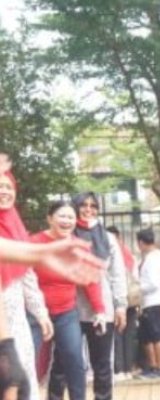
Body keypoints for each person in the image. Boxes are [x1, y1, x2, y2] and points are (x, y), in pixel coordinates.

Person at [30, 201, 106, 400]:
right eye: (61, 216)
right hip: (35, 314)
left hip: (66, 313)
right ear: (49, 218)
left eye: (70, 217)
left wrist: (99, 310)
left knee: (74, 359)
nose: (66, 221)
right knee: (29, 360)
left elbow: (91, 280)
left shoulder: (76, 246)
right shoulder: (34, 242)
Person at [0, 165, 53, 400]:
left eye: (8, 187)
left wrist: (40, 313)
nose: (4, 192)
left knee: (23, 376)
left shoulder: (17, 227)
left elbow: (28, 276)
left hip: (16, 319)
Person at [70, 192, 128, 400]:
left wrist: (121, 305)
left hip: (103, 311)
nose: (88, 209)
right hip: (72, 309)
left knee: (102, 364)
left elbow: (118, 274)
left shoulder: (109, 238)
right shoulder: (69, 234)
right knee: (68, 362)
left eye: (93, 206)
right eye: (83, 205)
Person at [137, 229, 160, 378]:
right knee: (147, 335)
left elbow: (153, 283)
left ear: (140, 243)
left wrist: (137, 288)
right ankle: (152, 366)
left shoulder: (152, 258)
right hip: (152, 301)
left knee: (156, 334)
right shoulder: (158, 256)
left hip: (153, 300)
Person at [106, 226, 138, 380]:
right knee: (128, 335)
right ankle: (128, 369)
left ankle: (118, 370)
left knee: (117, 334)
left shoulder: (110, 253)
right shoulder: (128, 253)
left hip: (117, 299)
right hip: (132, 299)